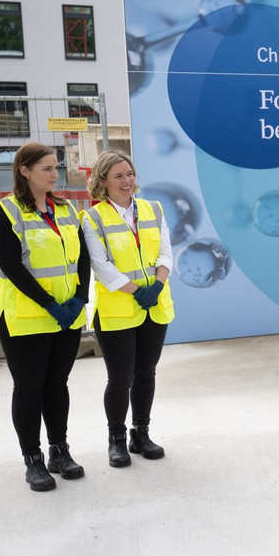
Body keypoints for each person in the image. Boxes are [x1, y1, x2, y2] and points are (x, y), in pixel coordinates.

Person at [0, 142, 89, 492]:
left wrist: (79, 298)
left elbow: (82, 257)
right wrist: (49, 304)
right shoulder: (5, 212)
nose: (54, 174)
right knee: (29, 388)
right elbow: (12, 266)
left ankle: (60, 451)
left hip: (66, 315)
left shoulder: (66, 209)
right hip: (26, 317)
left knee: (57, 385)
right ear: (24, 171)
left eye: (55, 168)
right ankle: (33, 460)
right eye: (46, 168)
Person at [81, 150, 175, 468]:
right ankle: (116, 441)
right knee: (120, 378)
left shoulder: (153, 209)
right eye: (118, 176)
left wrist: (157, 287)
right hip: (118, 310)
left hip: (154, 306)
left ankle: (141, 434)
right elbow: (101, 265)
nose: (127, 181)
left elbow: (165, 253)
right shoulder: (93, 217)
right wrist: (137, 291)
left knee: (146, 373)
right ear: (103, 181)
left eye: (130, 174)